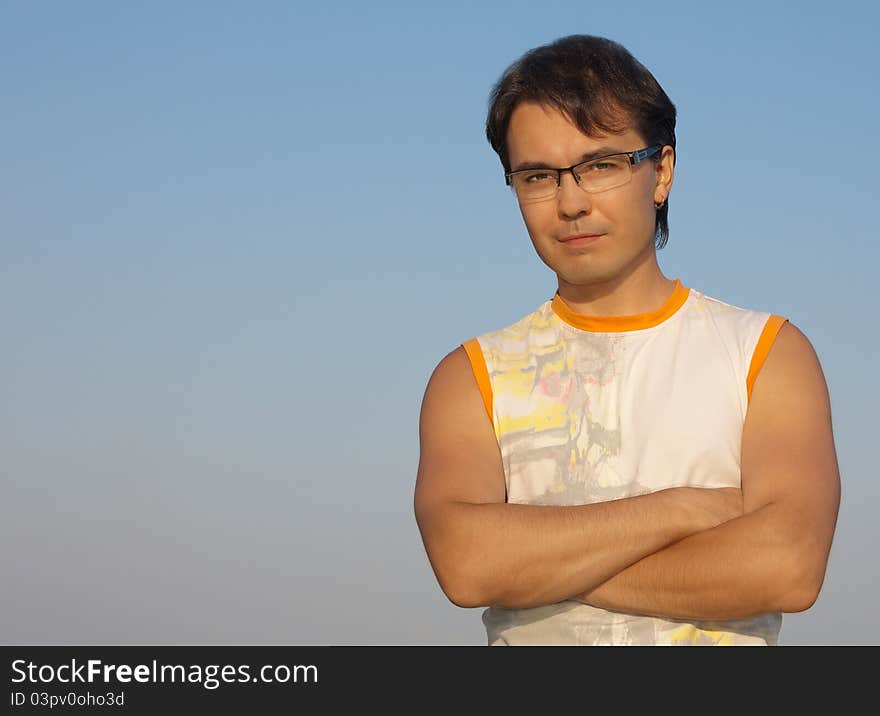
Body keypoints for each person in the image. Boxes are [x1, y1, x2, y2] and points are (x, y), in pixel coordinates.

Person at [413, 34, 840, 646]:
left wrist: (536, 560)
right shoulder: (470, 376)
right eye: (538, 175)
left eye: (600, 165)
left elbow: (788, 568)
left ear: (661, 171)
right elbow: (466, 565)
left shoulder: (765, 354)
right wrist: (683, 511)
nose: (570, 202)